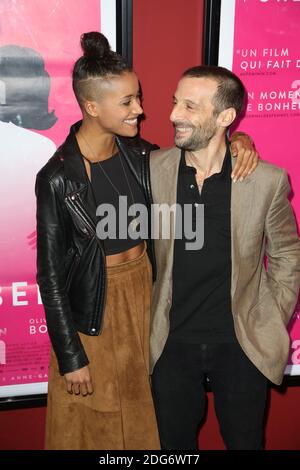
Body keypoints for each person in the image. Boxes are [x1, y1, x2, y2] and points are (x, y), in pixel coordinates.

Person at [36, 32, 257, 450]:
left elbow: (202, 149)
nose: (141, 109)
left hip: (148, 301)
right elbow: (50, 277)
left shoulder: (141, 156)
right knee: (97, 424)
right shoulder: (57, 177)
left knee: (149, 418)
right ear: (92, 106)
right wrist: (70, 357)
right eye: (127, 102)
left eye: (138, 96)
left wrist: (241, 140)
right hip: (94, 309)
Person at [150, 65, 300, 450]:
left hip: (241, 345)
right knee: (174, 449)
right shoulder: (153, 171)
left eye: (189, 106)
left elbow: (286, 254)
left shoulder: (266, 180)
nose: (173, 115)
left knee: (245, 443)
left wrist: (271, 315)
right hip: (172, 343)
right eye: (174, 102)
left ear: (225, 117)